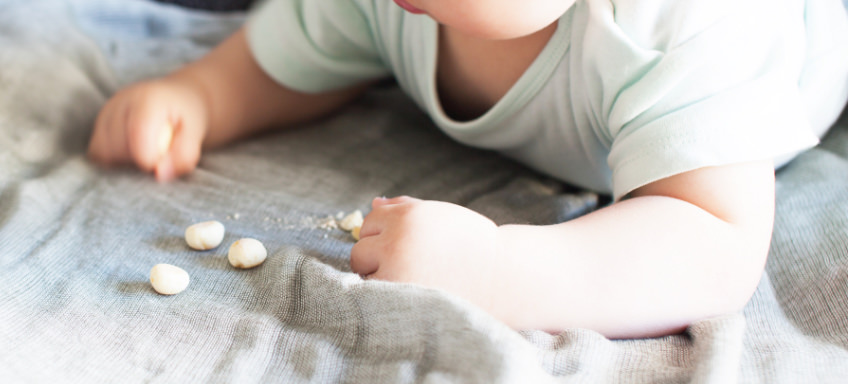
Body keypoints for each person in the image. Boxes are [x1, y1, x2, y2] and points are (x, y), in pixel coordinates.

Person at [87, 0, 848, 338]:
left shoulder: (688, 22)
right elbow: (301, 48)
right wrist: (204, 94)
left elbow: (712, 241)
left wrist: (497, 267)